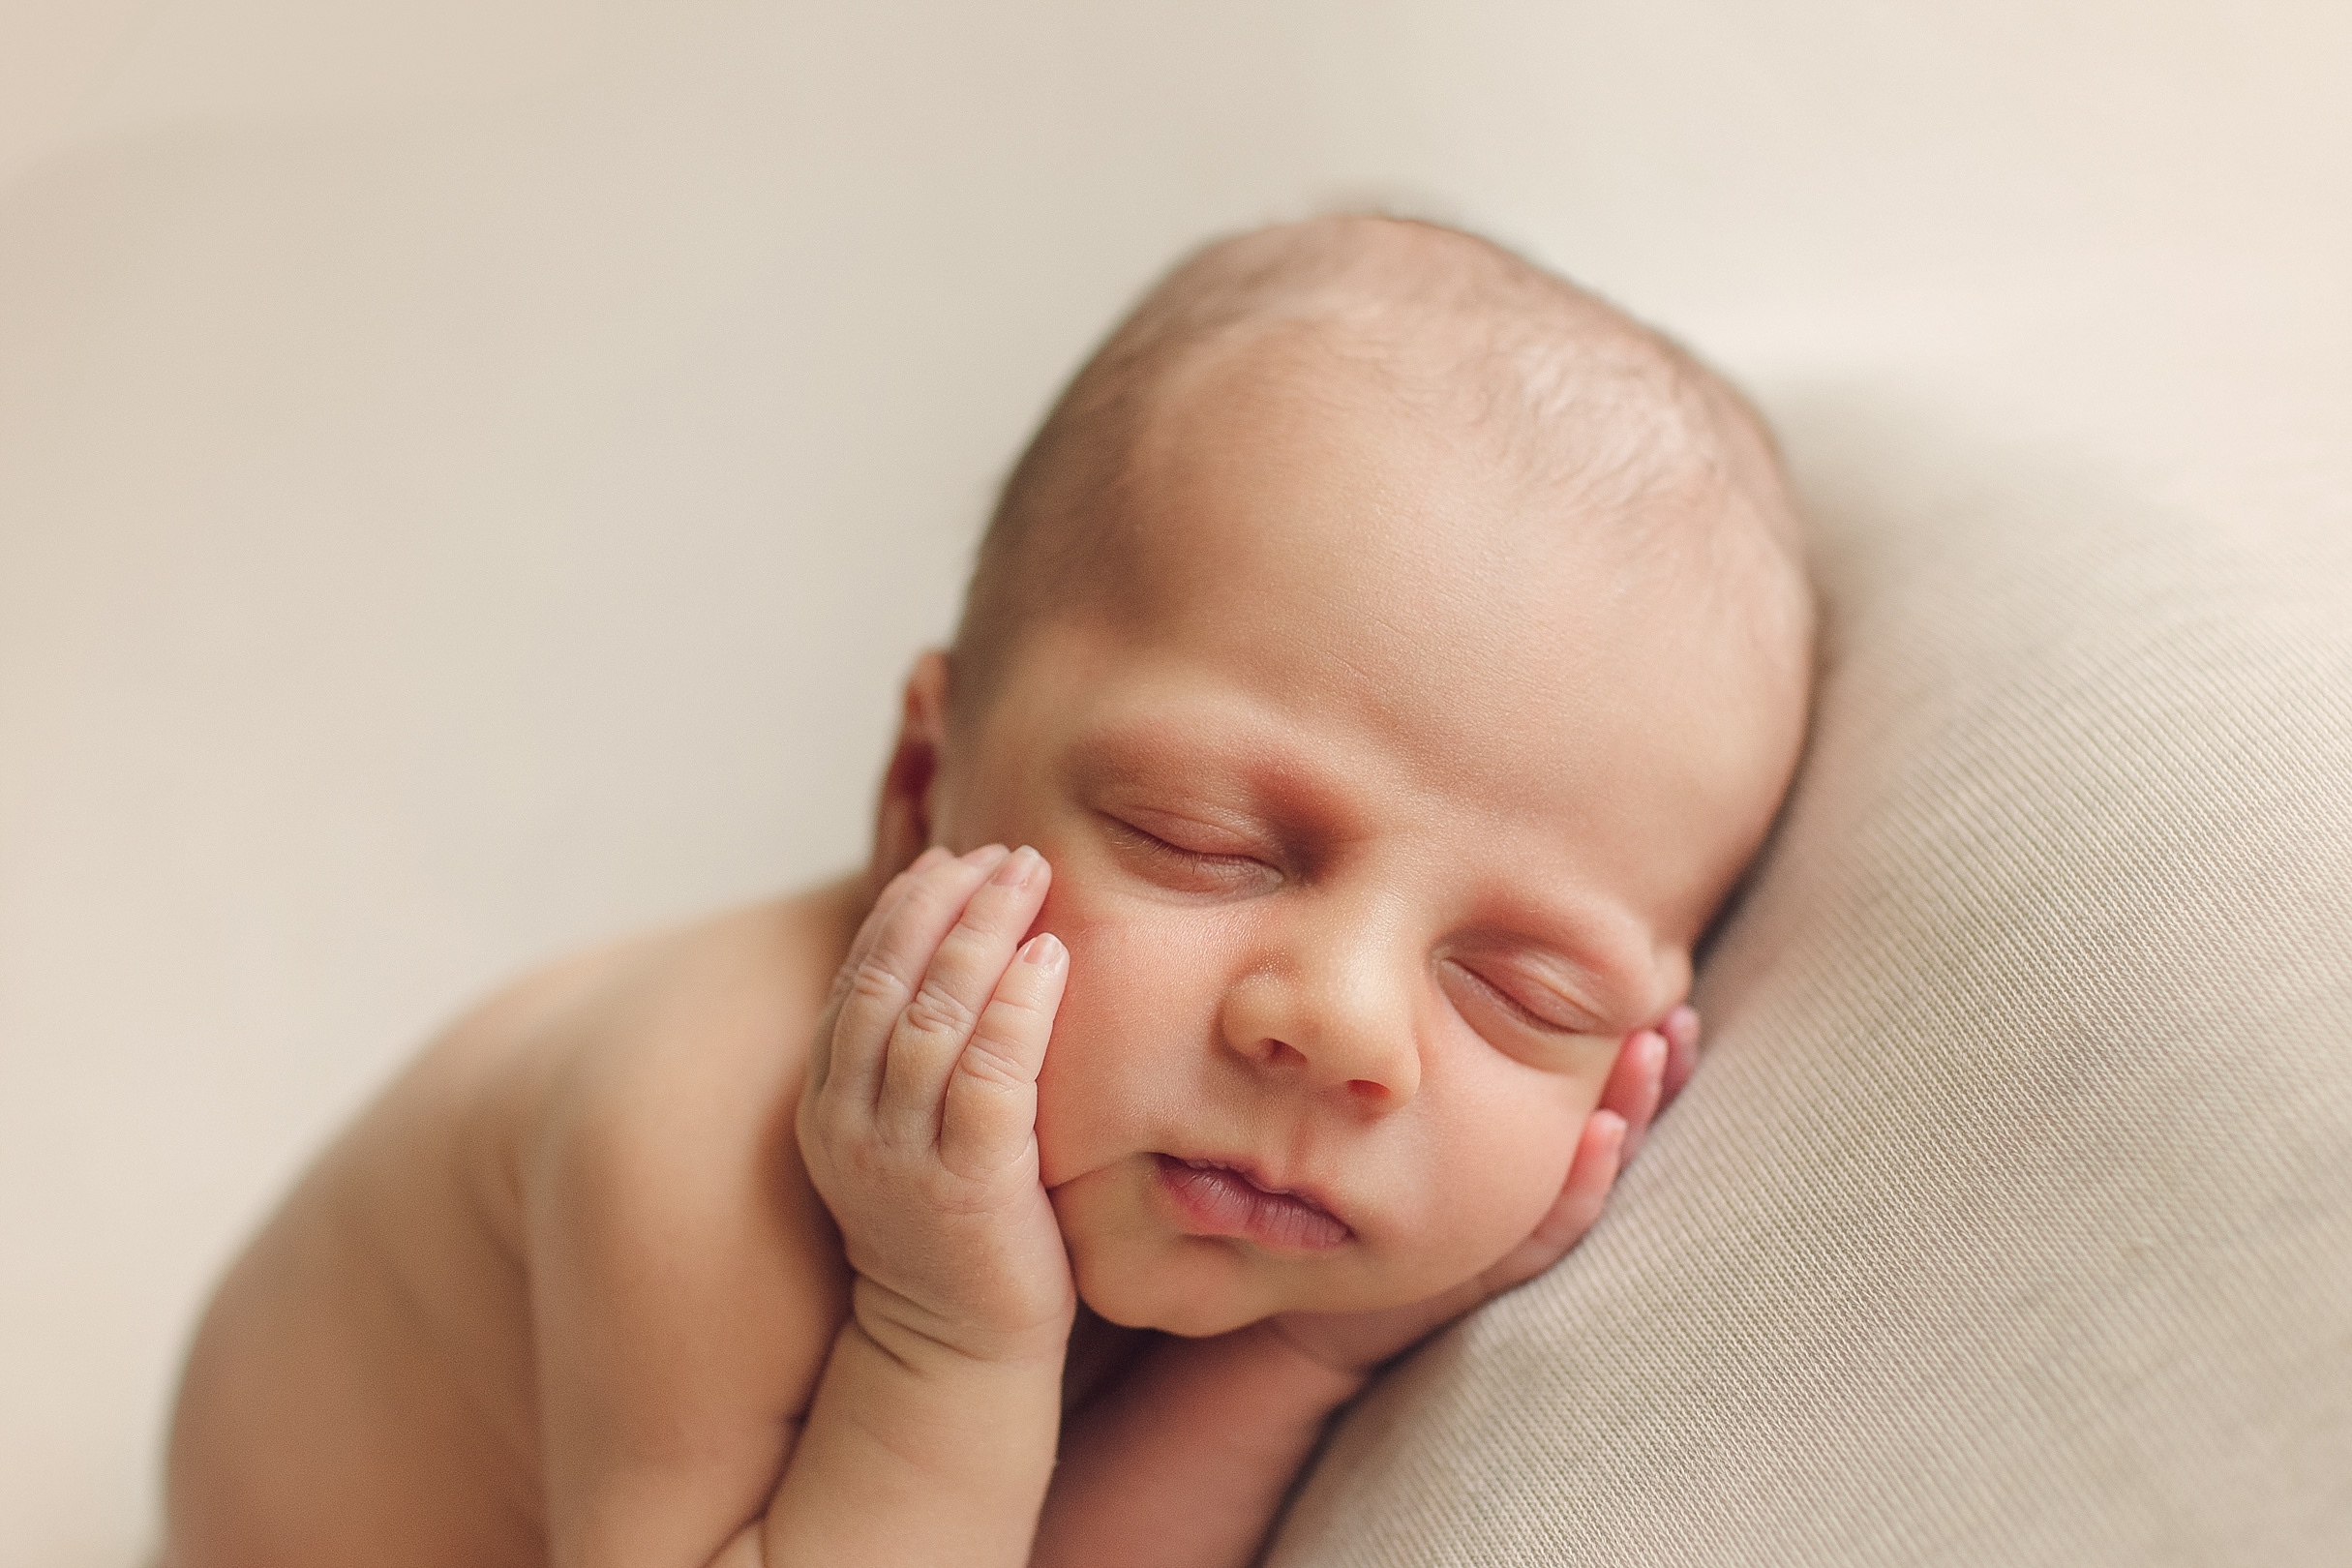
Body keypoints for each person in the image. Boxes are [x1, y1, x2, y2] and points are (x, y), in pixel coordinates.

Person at [163, 214, 1814, 1568]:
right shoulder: (697, 1131)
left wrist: (1293, 1368)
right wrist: (946, 1339)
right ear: (916, 794)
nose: (1340, 1022)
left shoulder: (1209, 1186)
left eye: (1524, 992)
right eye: (1202, 841)